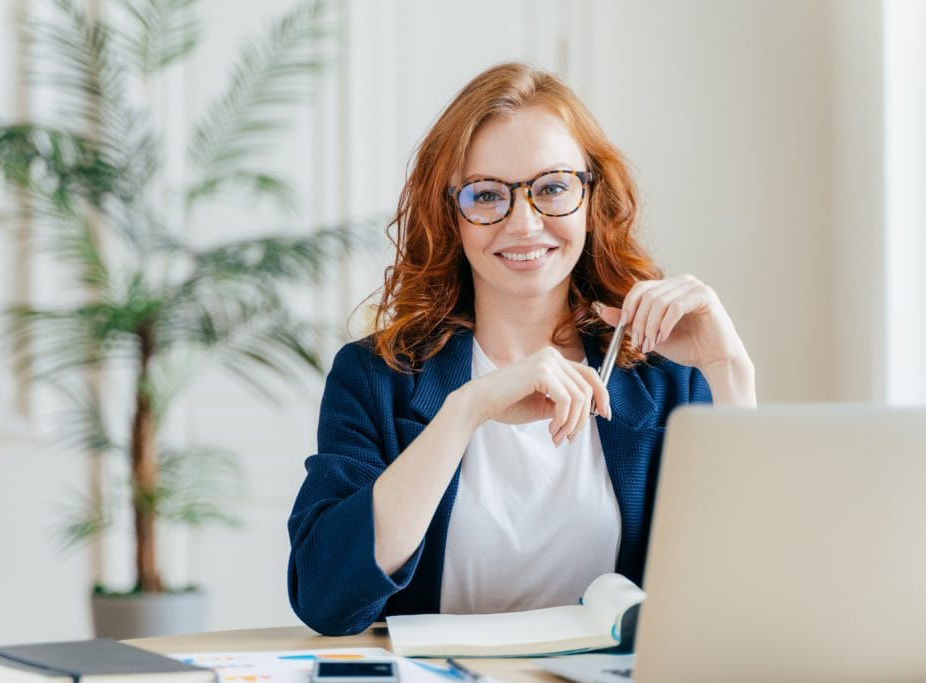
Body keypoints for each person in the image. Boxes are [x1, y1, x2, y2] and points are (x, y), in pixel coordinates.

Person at [287, 62, 756, 637]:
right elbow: (324, 598)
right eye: (487, 195)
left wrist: (728, 371)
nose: (524, 222)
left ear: (591, 197)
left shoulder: (661, 377)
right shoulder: (376, 377)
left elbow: (741, 593)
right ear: (450, 214)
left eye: (553, 187)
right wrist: (466, 411)